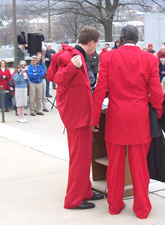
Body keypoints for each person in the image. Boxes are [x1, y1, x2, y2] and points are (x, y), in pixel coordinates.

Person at [90, 25, 164, 219]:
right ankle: (141, 209)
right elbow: (156, 91)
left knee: (114, 166)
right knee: (140, 167)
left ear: (120, 39)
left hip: (116, 119)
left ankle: (114, 205)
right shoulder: (150, 59)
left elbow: (100, 91)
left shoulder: (107, 57)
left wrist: (94, 118)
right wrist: (158, 111)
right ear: (137, 40)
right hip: (140, 120)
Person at [48, 26, 103, 210]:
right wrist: (73, 66)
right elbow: (58, 79)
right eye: (96, 44)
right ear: (91, 42)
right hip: (76, 118)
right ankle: (72, 200)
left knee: (83, 157)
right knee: (79, 160)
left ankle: (85, 191)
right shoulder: (70, 57)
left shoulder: (76, 55)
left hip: (80, 117)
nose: (96, 48)